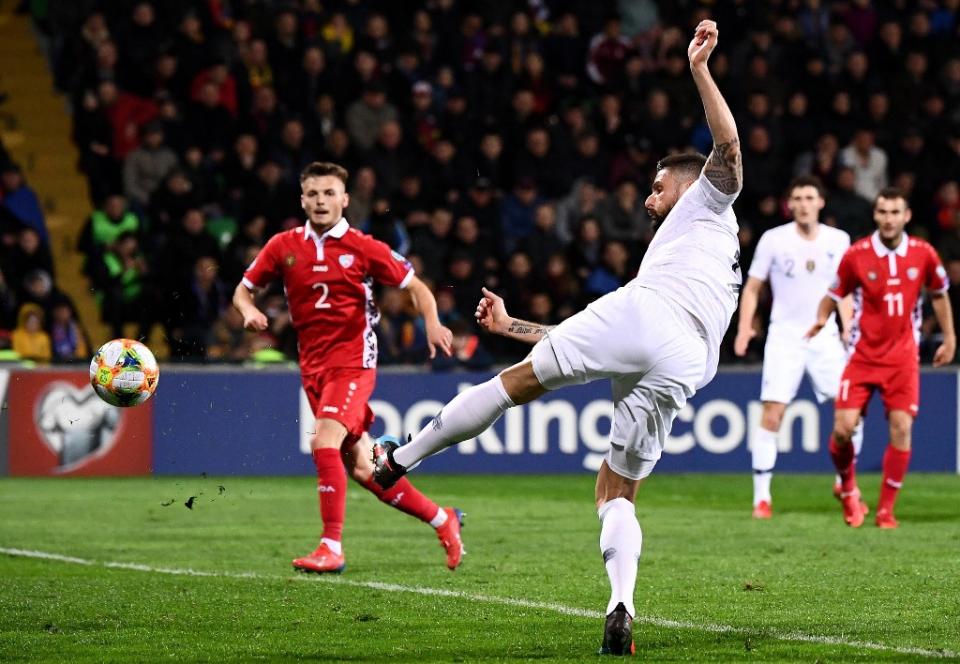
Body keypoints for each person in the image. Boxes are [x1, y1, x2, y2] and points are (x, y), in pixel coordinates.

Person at [373, 21, 741, 656]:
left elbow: (728, 147)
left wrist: (699, 70)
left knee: (512, 385)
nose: (651, 198)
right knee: (616, 488)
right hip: (688, 359)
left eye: (658, 187)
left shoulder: (707, 199)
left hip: (649, 316)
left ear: (687, 181)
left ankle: (399, 461)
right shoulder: (703, 256)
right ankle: (621, 602)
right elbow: (608, 338)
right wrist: (513, 326)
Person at [233, 161, 464, 574]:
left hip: (353, 362)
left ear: (344, 199)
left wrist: (432, 322)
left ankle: (331, 546)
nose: (320, 201)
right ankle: (442, 519)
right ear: (302, 199)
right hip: (314, 366)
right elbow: (242, 290)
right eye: (313, 194)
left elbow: (416, 286)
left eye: (328, 194)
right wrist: (248, 310)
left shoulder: (363, 247)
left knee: (323, 442)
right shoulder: (283, 246)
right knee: (362, 466)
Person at [807, 187, 955, 529]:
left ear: (906, 216)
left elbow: (940, 295)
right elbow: (833, 293)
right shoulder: (857, 254)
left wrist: (949, 337)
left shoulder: (924, 253)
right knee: (843, 430)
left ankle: (886, 510)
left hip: (902, 359)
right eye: (883, 212)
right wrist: (820, 318)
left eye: (894, 212)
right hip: (862, 356)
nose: (888, 219)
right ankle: (848, 489)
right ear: (875, 215)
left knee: (901, 429)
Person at [733, 175, 862, 519]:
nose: (804, 204)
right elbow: (753, 287)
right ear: (789, 205)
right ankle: (762, 498)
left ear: (821, 202)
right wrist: (745, 327)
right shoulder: (774, 240)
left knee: (851, 415)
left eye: (810, 197)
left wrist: (849, 326)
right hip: (785, 337)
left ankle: (844, 481)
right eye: (798, 198)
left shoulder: (839, 240)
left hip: (826, 338)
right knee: (772, 415)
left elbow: (844, 290)